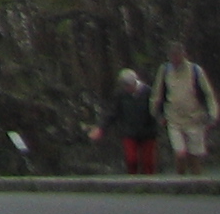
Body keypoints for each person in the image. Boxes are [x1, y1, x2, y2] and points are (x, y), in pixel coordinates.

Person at [147, 40, 217, 177]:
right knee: (180, 154)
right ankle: (180, 181)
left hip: (195, 118)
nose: (175, 59)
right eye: (172, 56)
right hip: (174, 118)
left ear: (183, 54)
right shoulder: (165, 70)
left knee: (194, 156)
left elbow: (208, 94)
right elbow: (157, 94)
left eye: (177, 55)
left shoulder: (195, 70)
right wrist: (156, 113)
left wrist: (213, 114)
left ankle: (196, 182)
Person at [89, 67, 158, 176]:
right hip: (129, 132)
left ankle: (149, 183)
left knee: (148, 163)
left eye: (129, 85)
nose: (127, 88)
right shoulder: (120, 95)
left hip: (147, 132)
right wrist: (101, 128)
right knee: (131, 160)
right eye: (125, 86)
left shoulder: (148, 92)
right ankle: (132, 181)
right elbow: (112, 113)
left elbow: (156, 110)